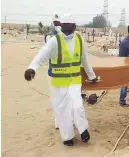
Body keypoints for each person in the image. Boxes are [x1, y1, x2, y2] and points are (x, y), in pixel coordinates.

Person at [24, 14, 97, 146]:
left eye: (69, 28)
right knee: (62, 110)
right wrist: (32, 68)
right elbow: (42, 55)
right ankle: (67, 137)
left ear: (74, 27)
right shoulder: (54, 40)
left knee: (77, 106)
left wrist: (92, 76)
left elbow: (84, 59)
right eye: (64, 27)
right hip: (58, 83)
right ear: (61, 26)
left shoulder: (79, 40)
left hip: (74, 81)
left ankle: (83, 129)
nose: (66, 31)